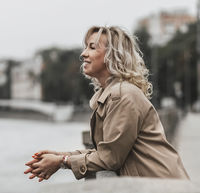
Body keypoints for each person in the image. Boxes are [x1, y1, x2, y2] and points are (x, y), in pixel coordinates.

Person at [24, 26, 189, 182]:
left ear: (112, 55)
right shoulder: (113, 93)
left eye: (92, 47)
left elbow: (110, 158)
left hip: (163, 188)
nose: (83, 54)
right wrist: (61, 155)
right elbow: (107, 150)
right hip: (157, 183)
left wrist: (62, 161)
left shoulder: (122, 95)